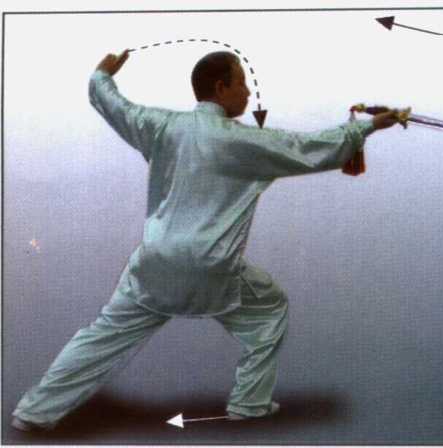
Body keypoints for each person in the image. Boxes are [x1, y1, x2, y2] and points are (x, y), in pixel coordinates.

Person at [11, 50, 401, 432]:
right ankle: (250, 403)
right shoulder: (244, 141)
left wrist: (101, 76)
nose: (247, 92)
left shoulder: (162, 125)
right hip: (213, 266)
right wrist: (367, 127)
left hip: (156, 261)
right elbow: (307, 147)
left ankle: (34, 411)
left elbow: (116, 106)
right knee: (270, 309)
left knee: (101, 336)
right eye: (241, 83)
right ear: (221, 88)